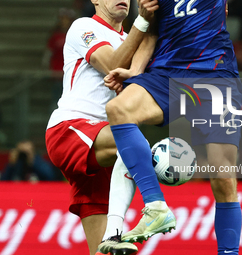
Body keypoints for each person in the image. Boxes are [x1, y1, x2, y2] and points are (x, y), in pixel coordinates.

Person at [103, 0, 242, 254]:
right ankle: (156, 207)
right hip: (167, 72)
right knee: (118, 109)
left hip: (216, 76)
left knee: (223, 177)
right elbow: (152, 31)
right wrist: (134, 70)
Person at [44, 0, 159, 254]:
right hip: (71, 129)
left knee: (105, 252)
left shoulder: (132, 38)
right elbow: (112, 64)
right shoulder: (83, 27)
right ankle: (154, 206)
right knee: (133, 144)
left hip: (102, 145)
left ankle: (112, 236)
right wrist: (142, 22)